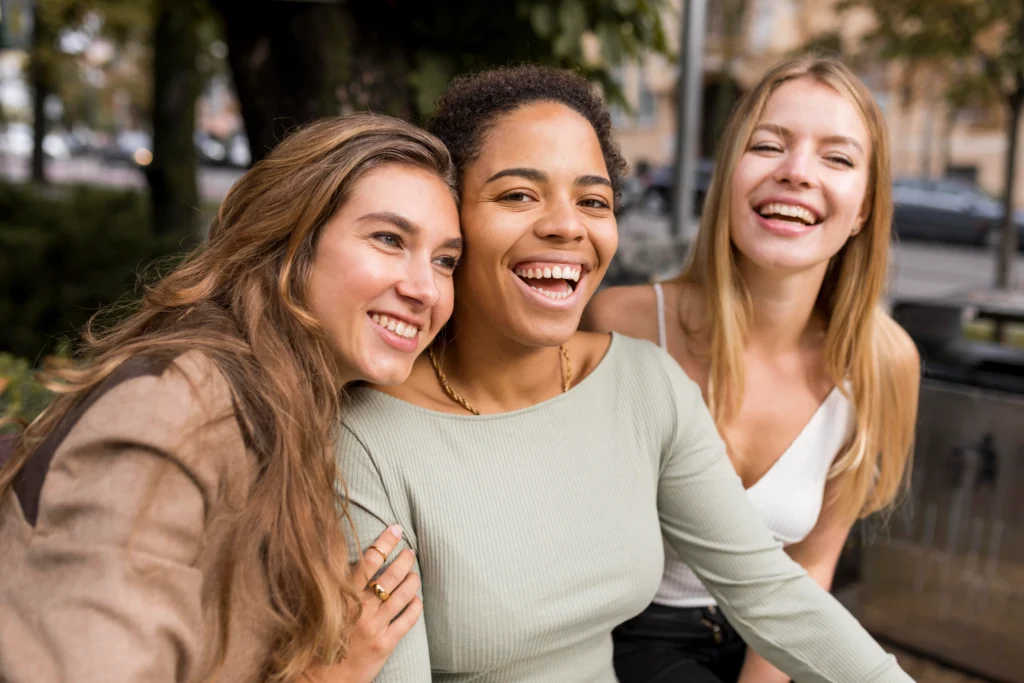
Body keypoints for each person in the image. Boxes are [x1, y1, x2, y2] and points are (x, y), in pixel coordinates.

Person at [335, 64, 913, 683]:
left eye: (593, 201)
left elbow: (775, 592)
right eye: (518, 194)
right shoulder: (368, 435)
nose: (566, 225)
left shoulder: (644, 381)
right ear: (451, 220)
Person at [0, 113, 464, 683]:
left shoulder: (294, 399)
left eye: (445, 260)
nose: (424, 289)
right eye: (388, 239)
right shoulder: (179, 408)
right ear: (289, 241)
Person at [584, 55, 921, 683]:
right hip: (623, 637)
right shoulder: (619, 323)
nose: (796, 173)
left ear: (865, 208)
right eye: (768, 146)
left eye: (838, 158)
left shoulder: (882, 361)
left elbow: (809, 571)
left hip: (772, 636)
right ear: (728, 175)